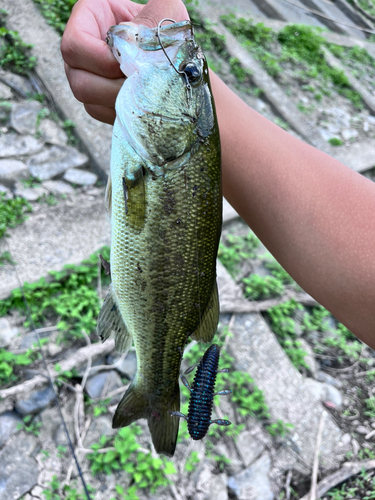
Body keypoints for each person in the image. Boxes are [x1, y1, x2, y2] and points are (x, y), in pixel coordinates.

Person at [61, 0, 375, 348]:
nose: (189, 74)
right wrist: (175, 75)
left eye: (191, 76)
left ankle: (154, 375)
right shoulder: (177, 139)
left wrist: (173, 75)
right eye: (193, 75)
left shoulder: (173, 142)